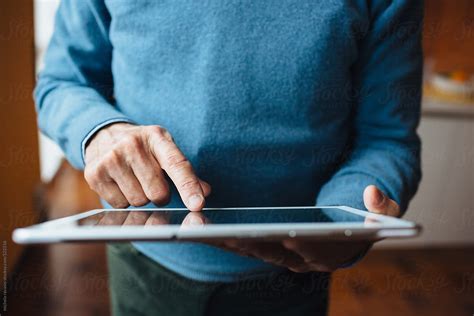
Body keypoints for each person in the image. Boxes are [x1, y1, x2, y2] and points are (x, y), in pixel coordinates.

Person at [34, 1, 423, 315]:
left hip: (294, 276)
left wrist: (343, 218)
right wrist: (100, 131)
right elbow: (62, 82)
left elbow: (386, 137)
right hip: (142, 257)